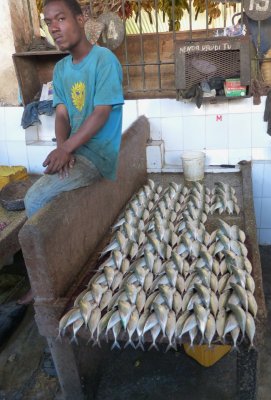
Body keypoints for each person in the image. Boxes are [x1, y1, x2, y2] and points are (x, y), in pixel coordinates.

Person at [18, 0, 124, 304]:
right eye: (48, 22)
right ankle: (54, 268)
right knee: (47, 185)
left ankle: (44, 280)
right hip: (76, 151)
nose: (54, 27)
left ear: (81, 18)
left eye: (61, 18)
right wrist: (61, 149)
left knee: (34, 197)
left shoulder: (104, 61)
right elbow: (62, 114)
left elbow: (102, 113)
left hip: (98, 155)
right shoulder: (62, 68)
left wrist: (67, 148)